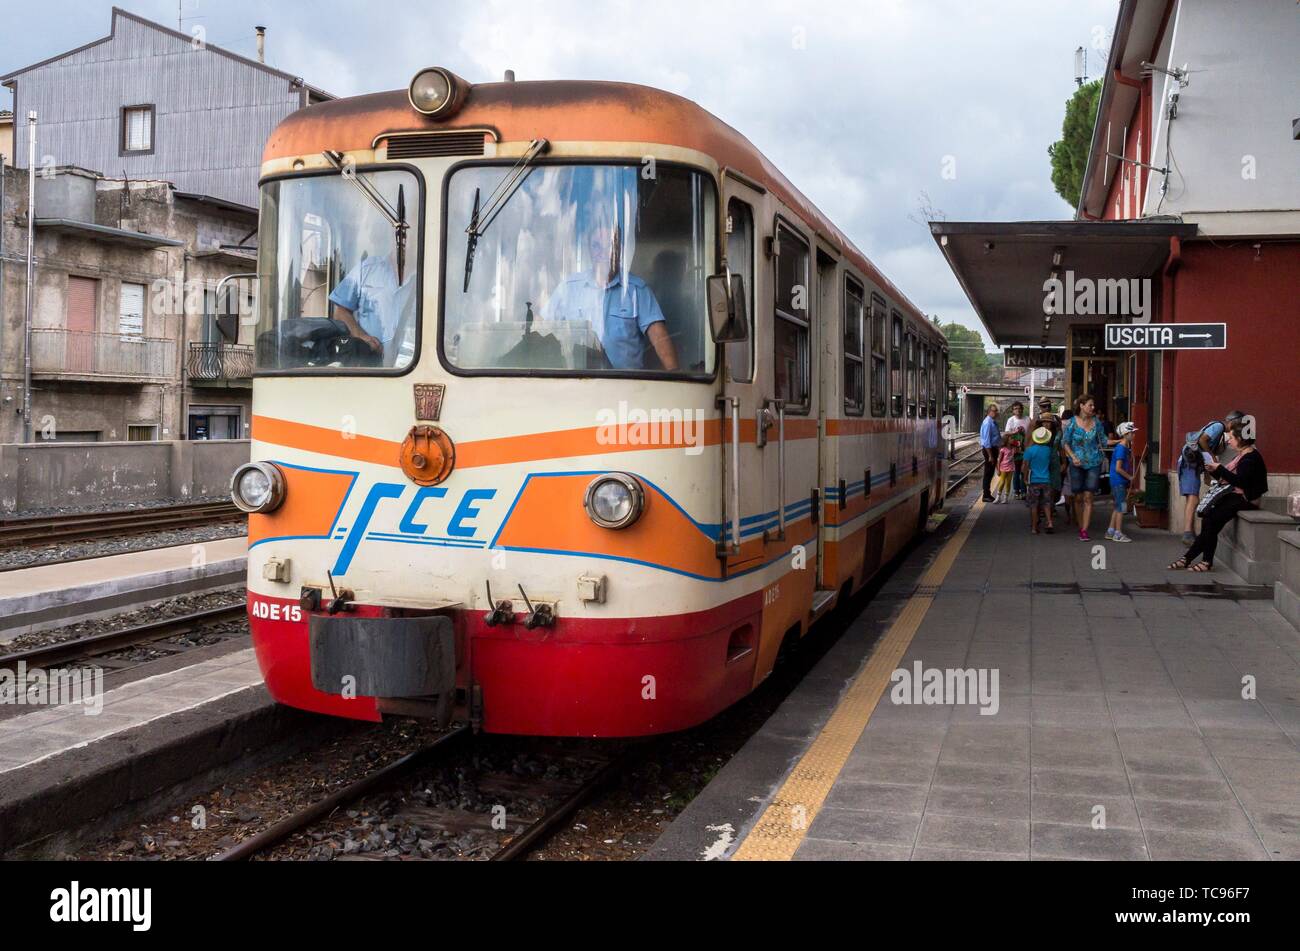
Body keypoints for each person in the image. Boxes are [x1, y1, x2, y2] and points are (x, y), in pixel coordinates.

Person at [542, 220, 679, 371]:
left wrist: (674, 374)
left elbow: (659, 336)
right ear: (589, 249)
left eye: (610, 245)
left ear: (619, 249)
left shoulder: (637, 290)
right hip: (577, 383)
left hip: (625, 386)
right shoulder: (569, 288)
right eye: (596, 246)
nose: (602, 252)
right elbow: (542, 327)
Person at [1169, 420, 1267, 572]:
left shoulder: (1250, 458)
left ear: (1240, 440)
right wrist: (1213, 469)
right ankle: (1198, 560)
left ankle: (1193, 559)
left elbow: (1240, 482)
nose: (1229, 440)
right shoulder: (1241, 455)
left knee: (1212, 520)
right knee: (1208, 517)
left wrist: (1219, 468)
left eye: (1232, 438)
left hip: (1247, 498)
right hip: (1235, 494)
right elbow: (1227, 478)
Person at [1177, 410, 1247, 545]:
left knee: (1191, 498)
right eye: (1239, 424)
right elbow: (1202, 440)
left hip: (1192, 463)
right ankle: (1187, 533)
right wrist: (1212, 457)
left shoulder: (1220, 431)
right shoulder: (1219, 426)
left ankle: (1190, 532)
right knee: (1193, 497)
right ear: (1233, 422)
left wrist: (1208, 473)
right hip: (1189, 463)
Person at [329, 252, 410, 366]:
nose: (401, 239)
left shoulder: (432, 272)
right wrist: (361, 336)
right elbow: (341, 312)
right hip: (369, 365)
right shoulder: (366, 269)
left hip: (414, 366)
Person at [1061, 394, 1107, 541]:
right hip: (1076, 463)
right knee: (1078, 496)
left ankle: (1084, 530)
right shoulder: (1072, 423)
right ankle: (1081, 525)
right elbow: (1065, 442)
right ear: (1081, 406)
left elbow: (1104, 440)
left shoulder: (1096, 422)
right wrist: (1073, 457)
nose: (1093, 408)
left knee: (1089, 496)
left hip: (1094, 462)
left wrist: (1122, 439)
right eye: (1090, 405)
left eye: (1093, 405)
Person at [1106, 422, 1137, 543]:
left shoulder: (1122, 447)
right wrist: (1129, 477)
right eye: (1132, 433)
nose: (1134, 435)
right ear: (1126, 434)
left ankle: (1111, 530)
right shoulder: (1122, 448)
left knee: (1117, 506)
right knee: (1121, 507)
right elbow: (1118, 468)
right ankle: (1118, 533)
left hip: (1116, 481)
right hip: (1119, 481)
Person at [1022, 426, 1056, 534]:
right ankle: (1050, 522)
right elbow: (1051, 464)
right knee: (1046, 503)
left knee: (1034, 505)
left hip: (1034, 481)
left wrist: (1025, 478)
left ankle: (1033, 527)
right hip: (1046, 480)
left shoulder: (1029, 451)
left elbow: (1025, 466)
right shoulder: (1049, 450)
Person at [1004, 402, 1029, 499]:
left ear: (1022, 409)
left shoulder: (1027, 419)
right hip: (1014, 450)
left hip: (1025, 449)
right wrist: (1014, 432)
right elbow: (1006, 433)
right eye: (1015, 409)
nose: (1017, 410)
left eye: (1019, 408)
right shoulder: (1011, 420)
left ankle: (1023, 491)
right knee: (1016, 471)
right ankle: (1016, 491)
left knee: (1024, 471)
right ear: (1013, 411)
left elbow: (1030, 433)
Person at [979, 403, 1001, 502]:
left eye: (996, 411)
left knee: (990, 472)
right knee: (988, 473)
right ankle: (986, 495)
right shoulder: (987, 423)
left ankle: (987, 494)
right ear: (989, 412)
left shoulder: (992, 422)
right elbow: (986, 441)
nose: (995, 413)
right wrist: (990, 455)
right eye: (993, 411)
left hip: (993, 449)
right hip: (989, 450)